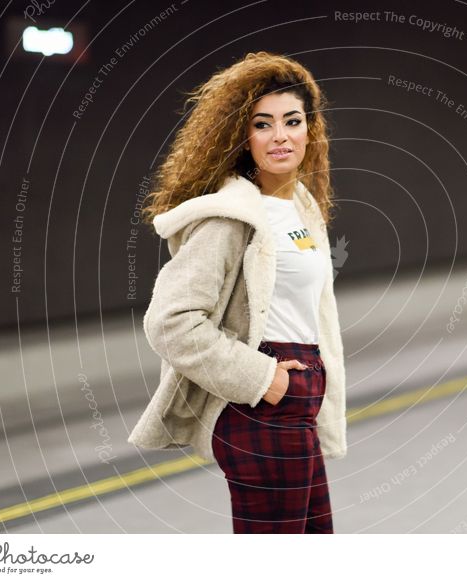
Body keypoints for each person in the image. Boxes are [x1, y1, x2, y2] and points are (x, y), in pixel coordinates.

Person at [127, 51, 347, 533]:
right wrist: (264, 379)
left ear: (311, 129)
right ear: (242, 137)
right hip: (261, 401)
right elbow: (170, 321)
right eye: (262, 124)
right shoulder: (231, 217)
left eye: (292, 121)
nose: (280, 136)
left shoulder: (302, 209)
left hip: (298, 396)